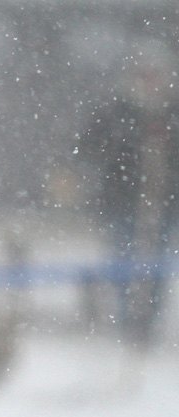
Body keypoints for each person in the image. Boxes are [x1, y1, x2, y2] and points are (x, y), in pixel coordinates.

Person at [76, 41, 179, 350]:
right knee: (123, 260)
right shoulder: (115, 111)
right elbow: (89, 146)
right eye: (144, 74)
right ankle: (128, 319)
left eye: (156, 75)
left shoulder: (173, 112)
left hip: (165, 205)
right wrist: (129, 144)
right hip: (123, 203)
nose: (151, 81)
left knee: (158, 262)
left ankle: (148, 319)